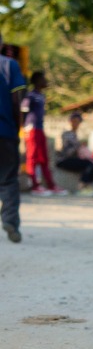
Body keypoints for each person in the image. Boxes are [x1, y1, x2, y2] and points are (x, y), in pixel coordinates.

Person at [0, 31, 27, 243]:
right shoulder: (9, 65)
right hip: (5, 131)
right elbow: (17, 100)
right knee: (8, 179)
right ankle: (10, 220)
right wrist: (18, 129)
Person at [22, 71, 65, 197]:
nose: (45, 81)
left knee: (44, 158)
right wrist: (24, 127)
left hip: (40, 128)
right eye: (43, 79)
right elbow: (22, 110)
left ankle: (50, 185)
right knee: (33, 158)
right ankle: (35, 186)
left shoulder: (42, 96)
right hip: (31, 129)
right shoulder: (30, 96)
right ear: (36, 81)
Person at [55, 111, 93, 196]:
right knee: (89, 165)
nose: (76, 124)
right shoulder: (66, 133)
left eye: (78, 122)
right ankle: (82, 187)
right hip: (63, 159)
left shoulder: (74, 134)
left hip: (70, 158)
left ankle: (87, 186)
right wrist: (78, 147)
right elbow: (64, 151)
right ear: (70, 121)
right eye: (74, 121)